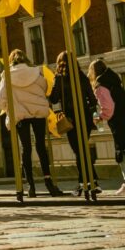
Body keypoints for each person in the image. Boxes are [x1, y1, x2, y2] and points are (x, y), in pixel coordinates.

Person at [0, 49, 64, 197]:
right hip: (38, 112)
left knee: (26, 148)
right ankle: (48, 182)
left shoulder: (7, 75)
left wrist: (9, 107)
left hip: (20, 114)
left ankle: (30, 186)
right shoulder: (36, 71)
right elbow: (45, 87)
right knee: (41, 145)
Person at [50, 51, 99, 195]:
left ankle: (85, 183)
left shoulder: (59, 78)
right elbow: (92, 99)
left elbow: (53, 99)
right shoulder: (82, 76)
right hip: (85, 118)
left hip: (70, 119)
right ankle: (91, 181)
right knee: (82, 149)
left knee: (79, 150)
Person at [90, 59, 125, 196]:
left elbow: (109, 108)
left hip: (118, 123)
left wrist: (100, 116)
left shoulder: (100, 86)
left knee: (121, 152)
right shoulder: (114, 81)